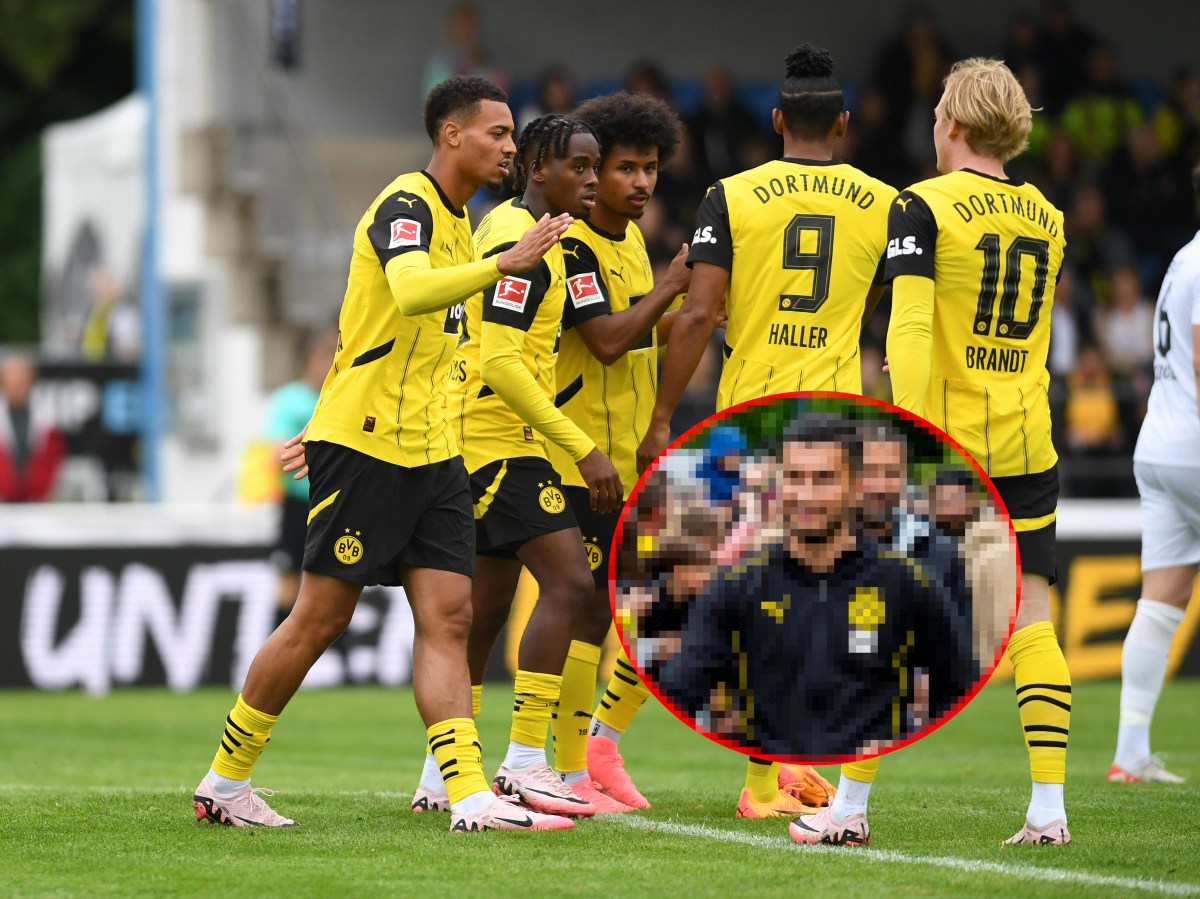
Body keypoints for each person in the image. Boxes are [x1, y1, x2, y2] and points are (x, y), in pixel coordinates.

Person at [192, 76, 577, 833]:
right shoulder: (406, 204)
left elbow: (387, 335)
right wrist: (503, 266)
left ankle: (465, 793)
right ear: (452, 135)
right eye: (497, 133)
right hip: (368, 445)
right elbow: (404, 294)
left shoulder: (462, 229)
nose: (509, 146)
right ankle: (225, 779)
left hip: (433, 453)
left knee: (451, 616)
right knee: (320, 617)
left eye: (510, 135)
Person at [800, 57, 1074, 848]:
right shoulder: (1049, 217)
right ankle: (1048, 810)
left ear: (950, 122)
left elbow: (911, 330)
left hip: (951, 446)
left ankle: (848, 808)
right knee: (1033, 619)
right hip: (1027, 441)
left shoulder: (924, 207)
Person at [636, 43, 894, 819]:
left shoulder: (733, 194)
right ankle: (764, 777)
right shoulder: (884, 203)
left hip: (753, 418)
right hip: (836, 425)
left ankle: (753, 772)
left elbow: (698, 312)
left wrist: (658, 417)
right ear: (843, 124)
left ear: (777, 120)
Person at [410, 113, 622, 819]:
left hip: (484, 443)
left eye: (597, 167)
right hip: (492, 441)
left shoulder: (545, 241)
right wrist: (581, 446)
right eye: (580, 167)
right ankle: (526, 762)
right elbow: (501, 362)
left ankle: (445, 774)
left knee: (485, 612)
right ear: (540, 168)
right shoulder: (517, 240)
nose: (592, 180)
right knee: (571, 579)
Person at [658, 415, 974, 758]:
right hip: (771, 788)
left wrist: (906, 750)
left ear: (855, 487)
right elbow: (680, 689)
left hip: (872, 786)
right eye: (794, 478)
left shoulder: (910, 582)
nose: (806, 495)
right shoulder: (735, 585)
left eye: (824, 479)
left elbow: (957, 689)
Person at [540, 91, 691, 812]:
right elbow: (605, 342)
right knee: (580, 613)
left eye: (650, 167)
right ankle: (570, 768)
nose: (639, 182)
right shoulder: (572, 244)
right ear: (592, 170)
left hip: (626, 459)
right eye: (625, 167)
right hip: (578, 461)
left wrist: (688, 315)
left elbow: (636, 332)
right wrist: (670, 288)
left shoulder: (628, 240)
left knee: (609, 615)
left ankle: (588, 755)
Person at [1109, 160, 1200, 786]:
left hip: (1160, 445)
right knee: (1161, 601)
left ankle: (1131, 753)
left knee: (1162, 600)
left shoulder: (1181, 259)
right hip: (1194, 441)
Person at [264, 326, 337, 623]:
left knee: (337, 586)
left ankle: (345, 667)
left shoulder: (338, 399)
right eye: (327, 356)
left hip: (334, 504)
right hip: (298, 505)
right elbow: (273, 453)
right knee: (289, 583)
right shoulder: (290, 399)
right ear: (311, 359)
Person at [0, 353, 65, 502]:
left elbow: (52, 461)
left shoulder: (47, 418)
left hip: (36, 501)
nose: (16, 387)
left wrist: (39, 494)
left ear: (30, 382)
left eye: (21, 382)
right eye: (12, 382)